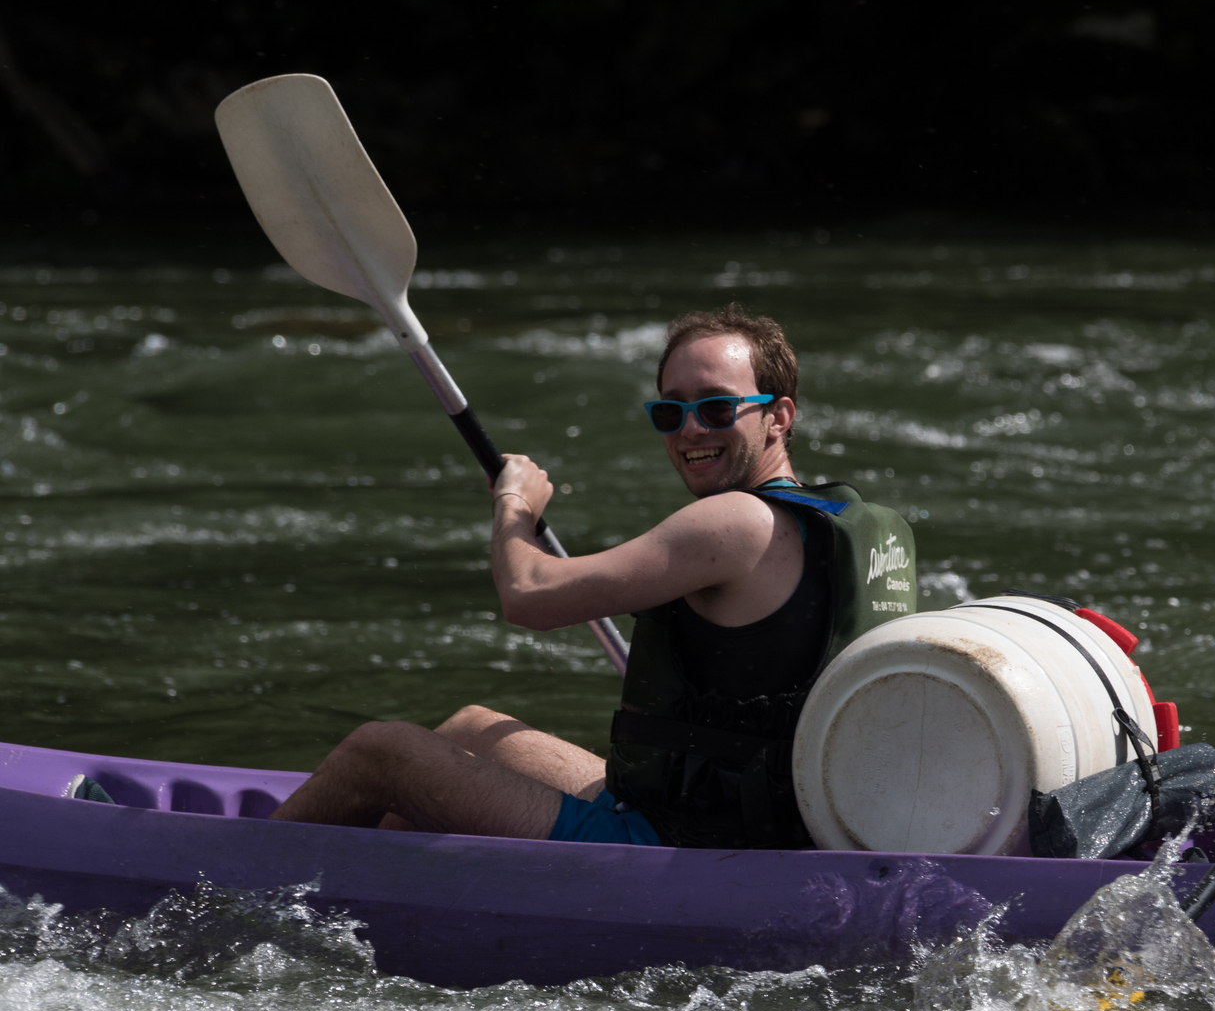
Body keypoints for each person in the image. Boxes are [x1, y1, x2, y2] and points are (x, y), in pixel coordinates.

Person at [270, 304, 916, 849]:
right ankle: (370, 894)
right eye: (670, 412)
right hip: (778, 826)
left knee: (379, 751)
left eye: (718, 408)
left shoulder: (736, 521)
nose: (691, 429)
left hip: (686, 844)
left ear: (779, 416)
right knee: (472, 728)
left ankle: (229, 895)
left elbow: (529, 595)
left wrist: (515, 504)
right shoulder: (868, 529)